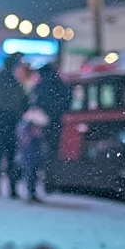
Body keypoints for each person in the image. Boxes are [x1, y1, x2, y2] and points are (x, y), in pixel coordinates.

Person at [0, 52, 27, 198]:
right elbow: (19, 103)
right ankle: (10, 188)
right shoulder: (12, 82)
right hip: (7, 123)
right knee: (9, 157)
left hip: (0, 123)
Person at [32, 61, 72, 190]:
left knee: (37, 154)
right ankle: (51, 181)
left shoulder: (41, 86)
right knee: (52, 153)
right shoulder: (60, 85)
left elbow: (36, 103)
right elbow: (67, 100)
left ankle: (41, 181)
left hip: (41, 123)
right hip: (56, 123)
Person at [15, 105, 50, 203]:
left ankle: (32, 193)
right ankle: (31, 193)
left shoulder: (26, 126)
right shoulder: (29, 127)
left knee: (33, 174)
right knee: (31, 174)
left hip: (32, 155)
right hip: (30, 155)